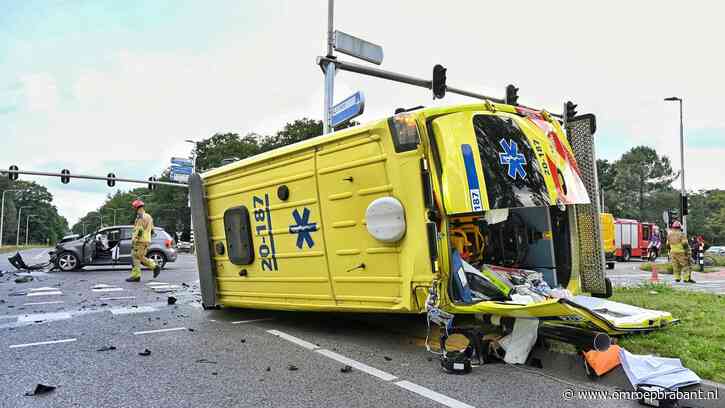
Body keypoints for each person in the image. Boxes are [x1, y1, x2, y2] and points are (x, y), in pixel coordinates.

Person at [126, 199, 161, 282]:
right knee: (136, 257)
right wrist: (148, 238)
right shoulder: (149, 216)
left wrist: (135, 239)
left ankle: (154, 266)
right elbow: (152, 230)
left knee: (138, 257)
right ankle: (136, 276)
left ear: (136, 208)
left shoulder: (140, 217)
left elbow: (140, 230)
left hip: (140, 241)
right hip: (146, 240)